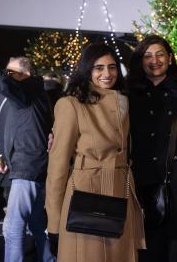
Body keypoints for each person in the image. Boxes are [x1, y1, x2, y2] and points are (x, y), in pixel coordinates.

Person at [45, 43, 145, 262]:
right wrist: (53, 223)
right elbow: (57, 167)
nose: (107, 74)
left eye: (112, 67)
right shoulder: (70, 104)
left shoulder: (124, 102)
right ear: (87, 70)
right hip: (85, 197)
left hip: (120, 190)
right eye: (98, 68)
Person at [0, 56, 55, 262]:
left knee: (12, 227)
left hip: (28, 167)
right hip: (21, 167)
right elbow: (2, 128)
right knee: (37, 225)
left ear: (26, 74)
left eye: (11, 73)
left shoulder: (30, 89)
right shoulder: (7, 97)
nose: (7, 77)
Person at [127, 35, 177, 262]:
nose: (154, 60)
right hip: (144, 177)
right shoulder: (129, 94)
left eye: (160, 54)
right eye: (147, 55)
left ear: (170, 58)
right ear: (140, 61)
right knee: (149, 242)